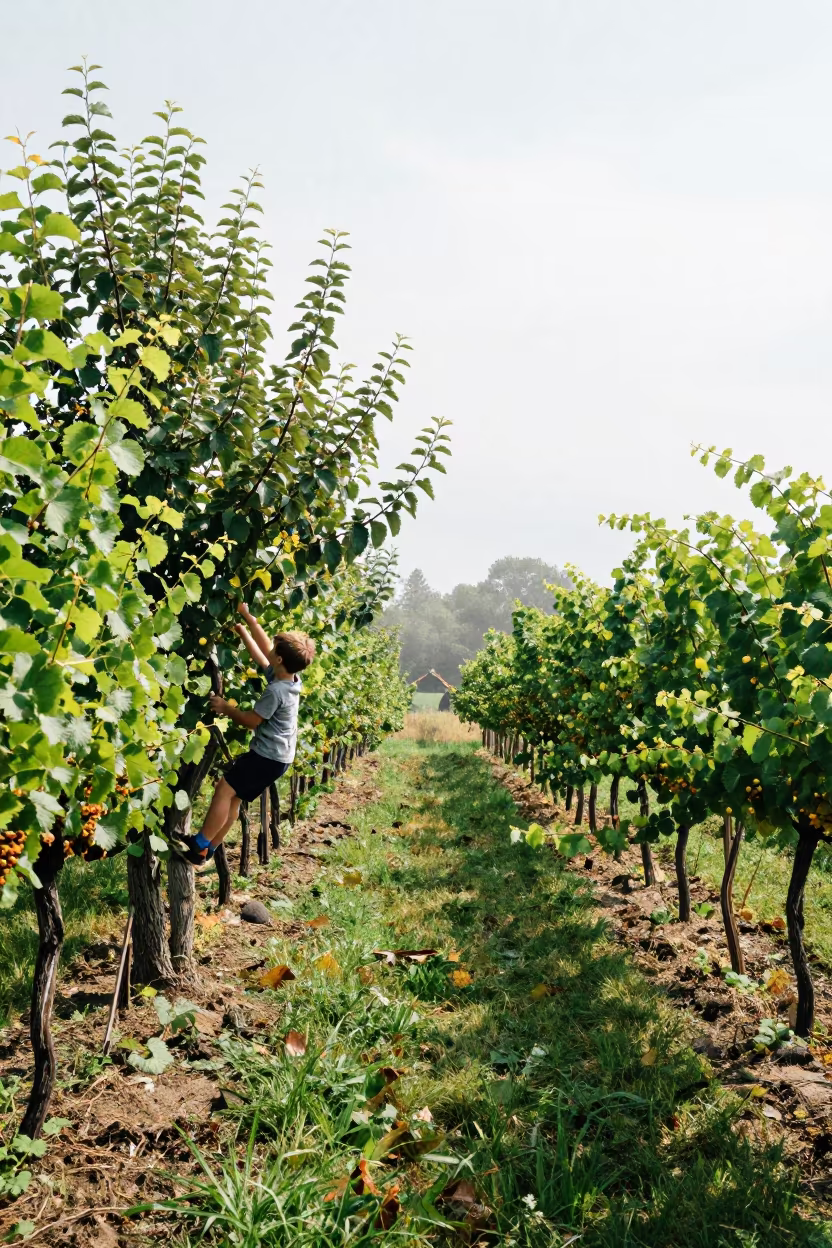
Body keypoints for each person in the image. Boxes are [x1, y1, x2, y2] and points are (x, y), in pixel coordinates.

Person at [173, 603, 316, 864]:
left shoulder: (276, 692)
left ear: (281, 659)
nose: (270, 651)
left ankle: (198, 844)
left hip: (267, 758)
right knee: (234, 799)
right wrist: (245, 624)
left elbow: (251, 721)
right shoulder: (290, 679)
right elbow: (263, 655)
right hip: (278, 758)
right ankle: (208, 850)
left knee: (223, 790)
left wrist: (227, 708)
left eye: (275, 650)